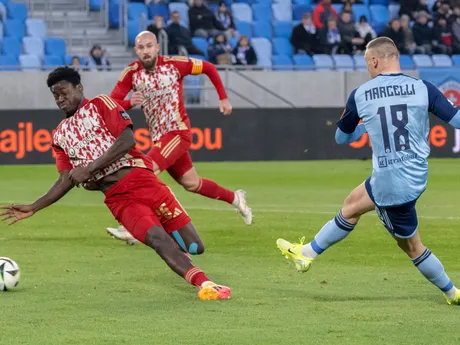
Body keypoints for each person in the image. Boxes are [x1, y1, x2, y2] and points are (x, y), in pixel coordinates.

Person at [0, 67, 231, 301]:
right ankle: (207, 284)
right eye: (55, 95)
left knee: (194, 247)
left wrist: (90, 169)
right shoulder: (60, 135)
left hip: (143, 181)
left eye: (64, 92)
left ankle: (181, 253)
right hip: (118, 199)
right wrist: (34, 206)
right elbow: (65, 179)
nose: (60, 99)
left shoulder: (101, 104)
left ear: (79, 88)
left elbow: (127, 140)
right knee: (157, 240)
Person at [276, 37, 460, 305]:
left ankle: (452, 292)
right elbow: (456, 119)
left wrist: (365, 126)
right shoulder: (423, 88)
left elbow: (342, 138)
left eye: (367, 63)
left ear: (375, 60)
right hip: (415, 174)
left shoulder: (361, 94)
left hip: (391, 181)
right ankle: (307, 253)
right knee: (352, 204)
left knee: (411, 246)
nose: (368, 69)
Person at [107, 31, 252, 244]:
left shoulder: (175, 64)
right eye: (141, 48)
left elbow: (209, 68)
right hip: (160, 137)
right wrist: (129, 103)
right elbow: (112, 102)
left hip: (177, 132)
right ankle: (236, 198)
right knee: (192, 183)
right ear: (136, 50)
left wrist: (223, 98)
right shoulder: (131, 73)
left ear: (157, 47)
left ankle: (134, 227)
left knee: (145, 171)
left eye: (149, 46)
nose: (145, 51)